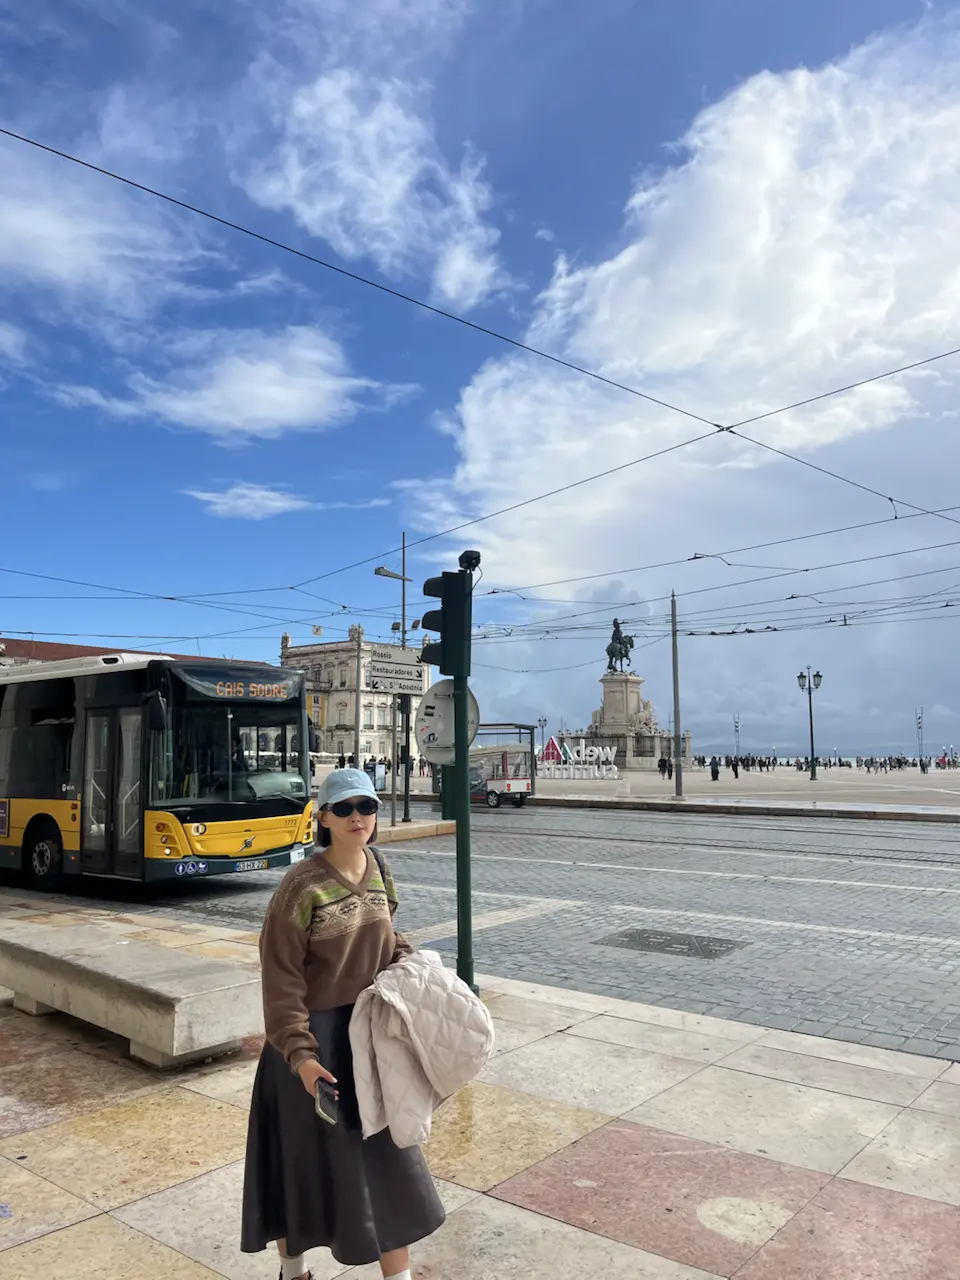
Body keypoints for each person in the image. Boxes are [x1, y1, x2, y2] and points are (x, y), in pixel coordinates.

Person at [241, 768, 444, 1280]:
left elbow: (388, 937)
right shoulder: (299, 885)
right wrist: (301, 1057)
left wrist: (417, 969)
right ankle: (292, 1271)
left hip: (368, 1038)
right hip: (312, 1047)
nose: (359, 818)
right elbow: (280, 977)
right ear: (324, 817)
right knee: (300, 1165)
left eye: (368, 807)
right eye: (346, 808)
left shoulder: (378, 865)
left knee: (387, 1163)